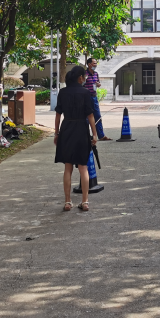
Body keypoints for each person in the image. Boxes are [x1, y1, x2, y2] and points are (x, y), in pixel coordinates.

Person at [55, 65, 99, 211]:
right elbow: (90, 115)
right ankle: (85, 202)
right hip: (81, 129)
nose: (85, 78)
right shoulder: (85, 92)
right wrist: (94, 134)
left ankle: (68, 202)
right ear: (80, 78)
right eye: (84, 76)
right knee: (83, 167)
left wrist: (56, 133)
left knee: (68, 167)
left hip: (67, 129)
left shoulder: (62, 92)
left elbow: (58, 115)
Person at [85, 57, 111, 141]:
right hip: (86, 98)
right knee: (86, 117)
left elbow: (98, 82)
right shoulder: (84, 74)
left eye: (96, 63)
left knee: (98, 116)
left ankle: (101, 135)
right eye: (94, 63)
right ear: (89, 64)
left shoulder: (96, 74)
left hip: (94, 97)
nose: (95, 65)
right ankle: (86, 136)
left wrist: (98, 84)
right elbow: (81, 84)